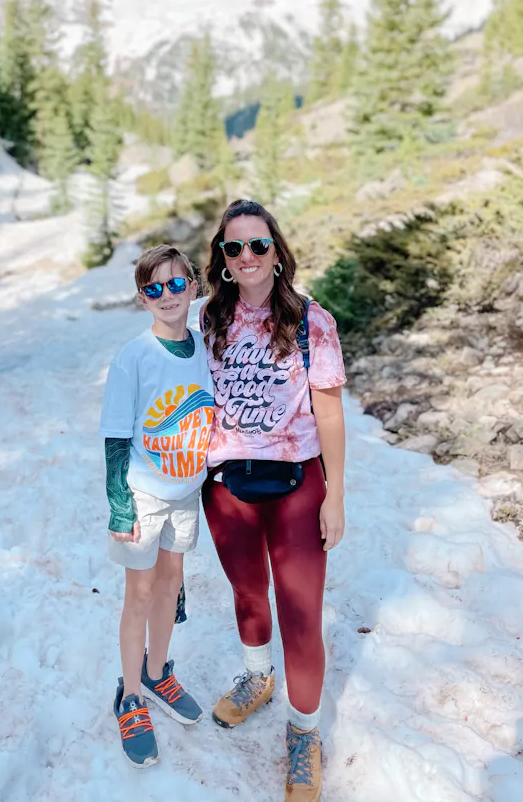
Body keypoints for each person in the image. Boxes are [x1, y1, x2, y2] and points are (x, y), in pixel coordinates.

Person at [201, 200, 347, 802]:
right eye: (234, 248)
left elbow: (330, 414)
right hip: (227, 485)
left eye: (258, 245)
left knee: (301, 610)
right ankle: (258, 678)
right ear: (223, 260)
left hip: (296, 484)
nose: (247, 257)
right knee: (245, 591)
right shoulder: (209, 319)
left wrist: (335, 495)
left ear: (277, 252)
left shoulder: (313, 321)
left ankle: (305, 733)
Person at [99, 245, 215, 768]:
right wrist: (121, 505)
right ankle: (130, 695)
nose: (166, 295)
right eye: (154, 288)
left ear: (194, 286)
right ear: (142, 298)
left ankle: (158, 670)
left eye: (176, 284)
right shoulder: (134, 356)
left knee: (171, 584)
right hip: (144, 495)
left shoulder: (204, 348)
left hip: (185, 492)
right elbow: (116, 436)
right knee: (140, 595)